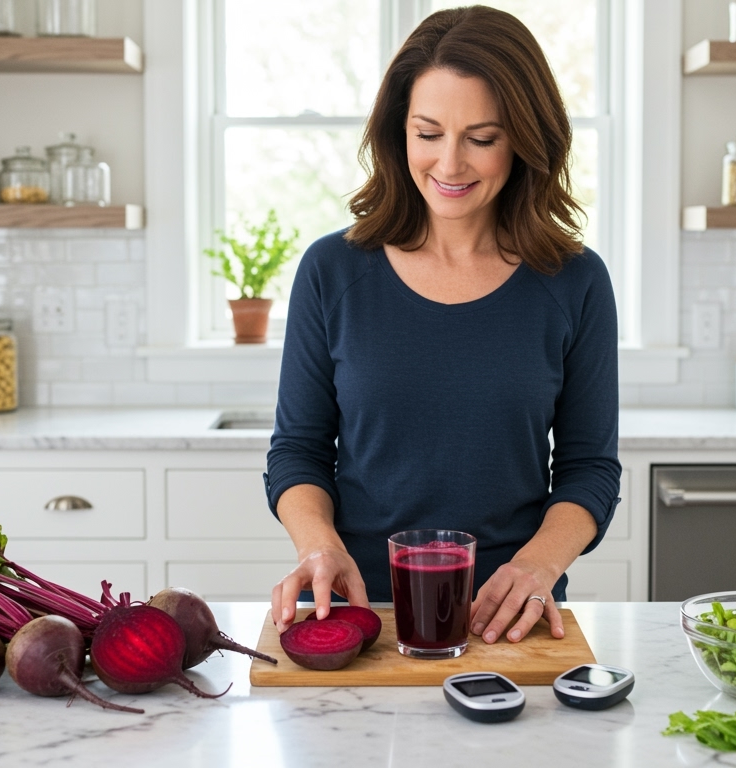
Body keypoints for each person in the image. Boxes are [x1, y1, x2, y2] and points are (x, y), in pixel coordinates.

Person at [265, 5, 621, 647]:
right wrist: (318, 546)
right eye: (428, 133)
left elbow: (589, 468)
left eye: (482, 138)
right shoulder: (332, 270)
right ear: (397, 133)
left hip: (511, 622)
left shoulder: (574, 280)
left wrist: (539, 565)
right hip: (360, 617)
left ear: (525, 139)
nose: (450, 164)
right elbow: (298, 451)